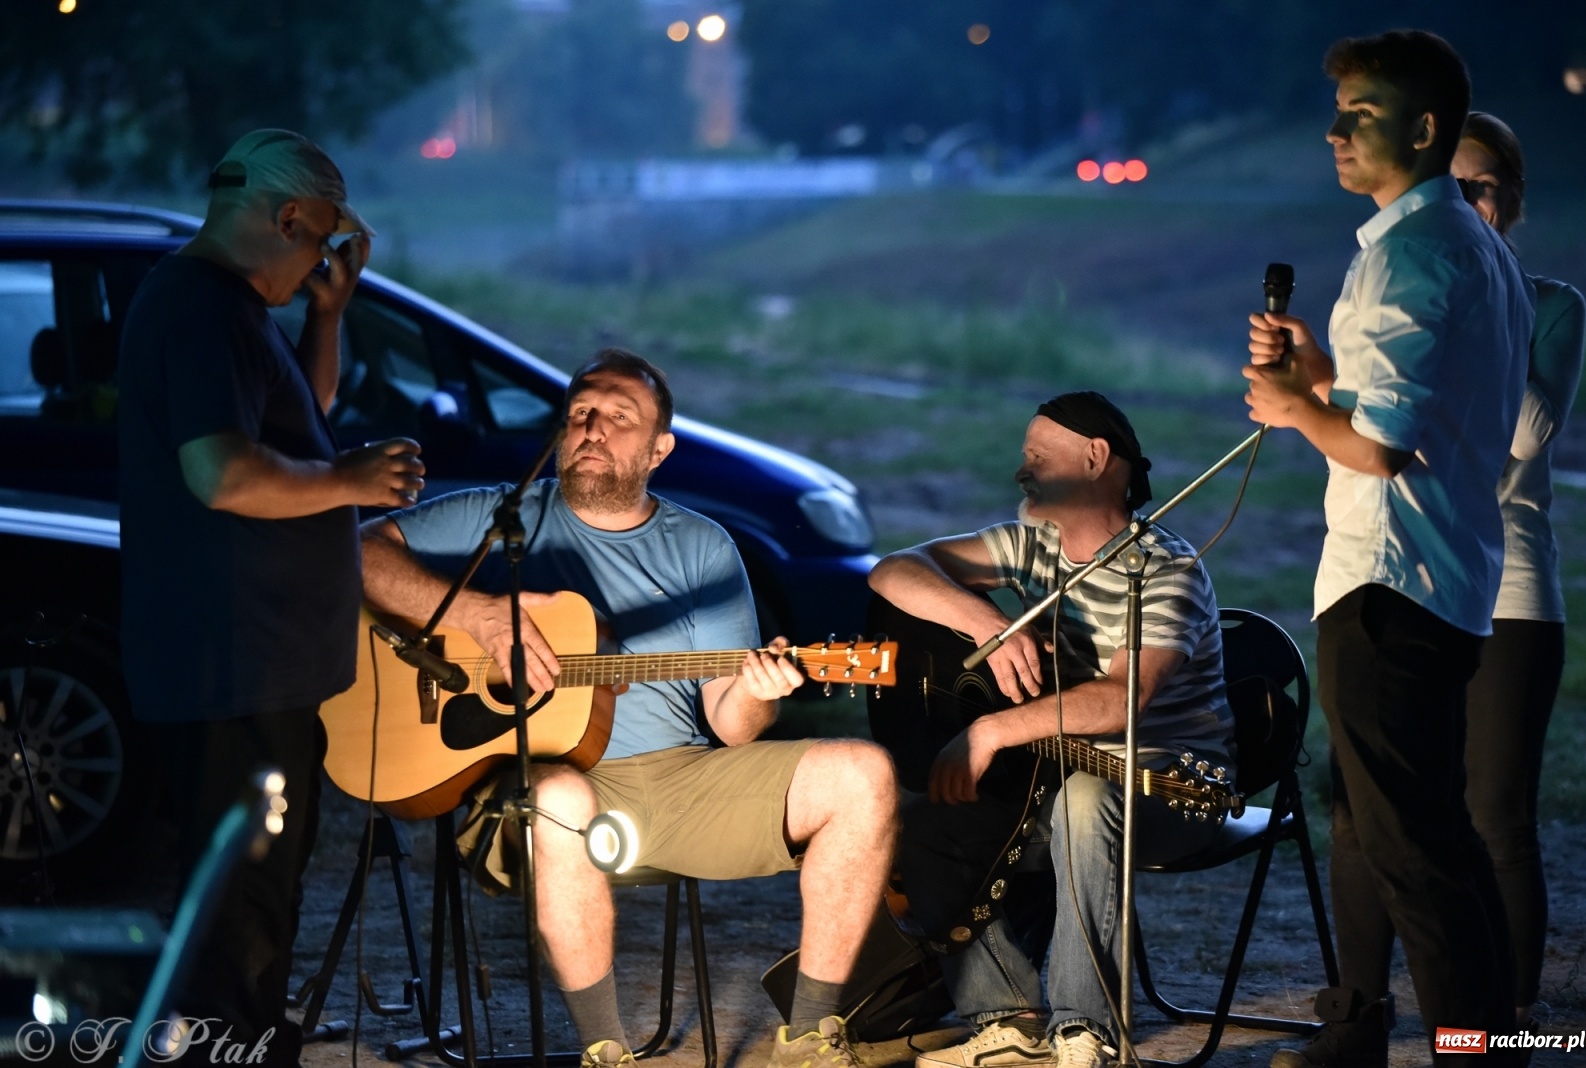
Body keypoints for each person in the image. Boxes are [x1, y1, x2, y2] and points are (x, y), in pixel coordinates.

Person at [359, 348, 898, 1068]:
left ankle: (807, 1035)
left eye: (619, 418)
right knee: (563, 793)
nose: (593, 429)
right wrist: (483, 617)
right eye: (580, 413)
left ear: (659, 449)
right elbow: (361, 552)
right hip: (547, 782)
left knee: (863, 773)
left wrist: (756, 693)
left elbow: (731, 724)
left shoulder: (704, 547)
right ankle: (605, 1051)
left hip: (683, 779)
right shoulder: (500, 517)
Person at [1242, 32, 1534, 1067]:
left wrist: (1290, 408)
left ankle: (1475, 1051)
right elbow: (1403, 409)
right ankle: (1383, 1035)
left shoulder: (1411, 252)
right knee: (1388, 830)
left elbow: (1381, 447)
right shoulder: (1469, 244)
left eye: (1358, 114)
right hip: (1440, 578)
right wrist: (1319, 381)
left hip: (1389, 584)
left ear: (1420, 129)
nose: (1333, 132)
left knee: (1419, 852)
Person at [118, 129, 425, 1066]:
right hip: (231, 667)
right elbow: (225, 475)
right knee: (243, 895)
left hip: (258, 667)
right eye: (321, 242)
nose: (321, 262)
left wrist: (328, 318)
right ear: (288, 216)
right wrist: (351, 484)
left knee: (261, 885)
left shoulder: (236, 315)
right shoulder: (200, 312)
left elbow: (299, 421)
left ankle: (242, 1034)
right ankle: (234, 1048)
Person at [870, 392, 1234, 1068]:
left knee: (1085, 801)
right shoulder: (1031, 546)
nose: (1022, 470)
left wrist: (990, 732)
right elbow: (893, 570)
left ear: (1097, 460)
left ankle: (1084, 1033)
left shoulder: (1166, 569)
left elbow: (1122, 701)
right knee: (922, 815)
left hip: (1167, 783)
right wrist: (981, 622)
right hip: (1059, 769)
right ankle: (1006, 1018)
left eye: (1038, 457)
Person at [1333, 112, 1585, 1034]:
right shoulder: (1414, 279)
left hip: (1511, 584)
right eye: (1458, 186)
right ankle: (1354, 1011)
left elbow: (1526, 433)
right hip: (1408, 577)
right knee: (1364, 812)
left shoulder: (1546, 300)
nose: (1470, 204)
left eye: (1487, 189)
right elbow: (1362, 420)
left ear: (1513, 201)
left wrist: (1488, 300)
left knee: (1493, 814)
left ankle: (1505, 1024)